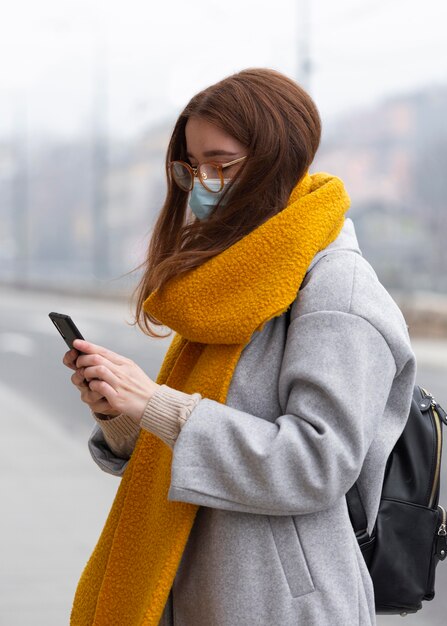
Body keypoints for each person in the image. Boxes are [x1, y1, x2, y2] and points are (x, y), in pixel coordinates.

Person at [64, 68, 416, 626]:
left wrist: (156, 403)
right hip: (191, 584)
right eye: (194, 167)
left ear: (277, 157)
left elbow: (318, 464)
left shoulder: (337, 289)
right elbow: (195, 441)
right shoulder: (235, 285)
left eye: (222, 164)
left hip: (280, 605)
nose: (205, 184)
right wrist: (124, 414)